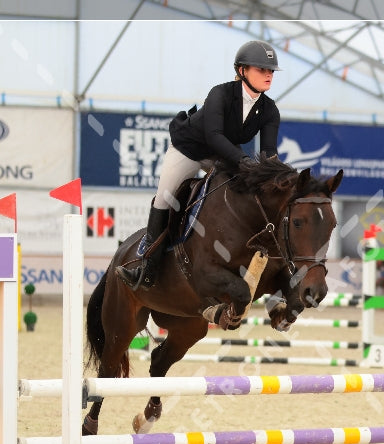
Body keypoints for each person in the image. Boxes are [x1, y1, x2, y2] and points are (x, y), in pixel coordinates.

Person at [116, 40, 282, 290]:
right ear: (241, 71)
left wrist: (276, 178)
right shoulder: (221, 94)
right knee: (166, 198)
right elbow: (214, 136)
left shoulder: (269, 110)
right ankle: (146, 266)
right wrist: (244, 162)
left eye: (270, 71)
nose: (268, 74)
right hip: (189, 149)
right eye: (261, 69)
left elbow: (269, 155)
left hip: (222, 154)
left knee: (246, 192)